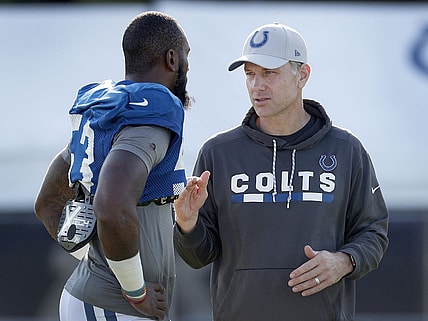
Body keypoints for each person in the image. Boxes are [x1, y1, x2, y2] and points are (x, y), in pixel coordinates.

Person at [173, 23, 389, 321]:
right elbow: (199, 256)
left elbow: (374, 231)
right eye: (250, 73)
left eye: (269, 73)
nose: (256, 86)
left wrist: (344, 261)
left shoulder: (346, 150)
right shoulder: (218, 154)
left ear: (303, 75)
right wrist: (187, 225)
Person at [34, 11, 191, 321]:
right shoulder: (151, 113)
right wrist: (135, 290)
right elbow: (110, 205)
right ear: (172, 59)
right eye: (186, 57)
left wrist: (95, 257)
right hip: (115, 305)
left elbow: (47, 203)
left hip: (101, 300)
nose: (187, 67)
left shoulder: (108, 111)